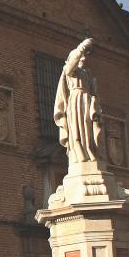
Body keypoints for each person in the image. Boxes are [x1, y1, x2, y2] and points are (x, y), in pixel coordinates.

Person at [54, 36, 105, 165]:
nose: (83, 58)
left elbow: (95, 92)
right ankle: (79, 152)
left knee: (88, 130)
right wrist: (81, 48)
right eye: (80, 56)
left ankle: (89, 151)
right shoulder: (69, 71)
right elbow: (72, 64)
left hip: (87, 102)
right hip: (75, 101)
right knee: (77, 129)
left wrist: (96, 105)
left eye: (84, 56)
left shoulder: (87, 73)